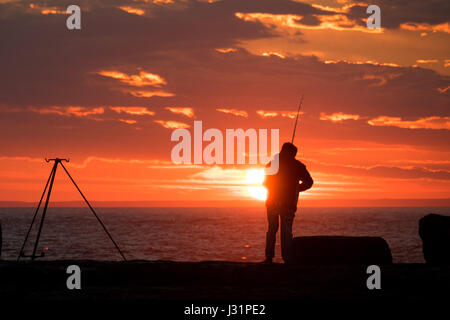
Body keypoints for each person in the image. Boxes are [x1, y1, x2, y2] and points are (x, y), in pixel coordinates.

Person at [263, 142, 313, 263]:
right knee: (286, 231)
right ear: (294, 154)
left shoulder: (272, 164)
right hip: (288, 204)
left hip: (273, 202)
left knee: (272, 230)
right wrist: (297, 189)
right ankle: (288, 259)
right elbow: (309, 183)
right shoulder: (298, 166)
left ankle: (269, 258)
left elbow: (265, 183)